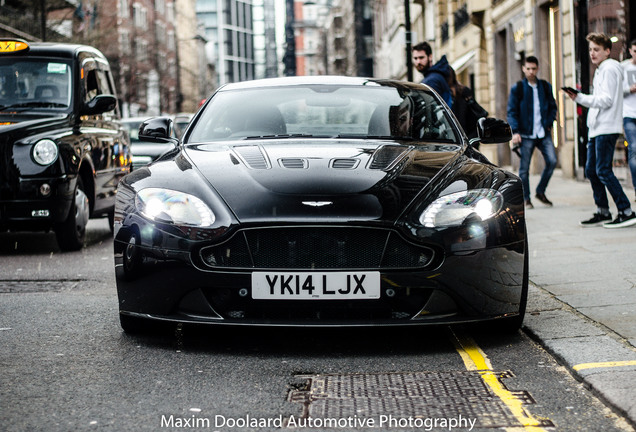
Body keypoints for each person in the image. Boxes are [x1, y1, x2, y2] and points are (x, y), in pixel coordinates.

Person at [564, 33, 636, 228]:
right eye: (590, 49)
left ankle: (626, 211)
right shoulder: (602, 69)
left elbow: (607, 100)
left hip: (606, 127)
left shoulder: (610, 68)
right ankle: (603, 211)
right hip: (597, 128)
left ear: (606, 50)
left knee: (603, 170)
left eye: (596, 49)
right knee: (591, 170)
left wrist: (579, 98)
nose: (592, 53)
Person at [506, 56, 558, 209]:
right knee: (524, 168)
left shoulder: (545, 86)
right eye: (528, 68)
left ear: (538, 69)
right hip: (526, 134)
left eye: (533, 69)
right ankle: (526, 199)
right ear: (523, 68)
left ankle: (540, 191)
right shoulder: (518, 88)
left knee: (552, 161)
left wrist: (549, 124)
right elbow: (512, 111)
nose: (531, 71)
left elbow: (553, 107)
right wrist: (515, 131)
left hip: (543, 133)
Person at [448, 66, 487, 141]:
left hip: (467, 137)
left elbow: (462, 117)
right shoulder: (461, 90)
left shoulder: (461, 92)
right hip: (470, 136)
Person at [412, 42, 453, 107]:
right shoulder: (436, 75)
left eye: (421, 57)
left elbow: (431, 110)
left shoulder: (431, 80)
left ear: (430, 57)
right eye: (415, 58)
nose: (418, 62)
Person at [622, 39, 636, 200]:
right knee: (634, 149)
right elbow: (616, 90)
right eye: (634, 50)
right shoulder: (623, 67)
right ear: (631, 51)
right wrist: (629, 89)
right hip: (629, 115)